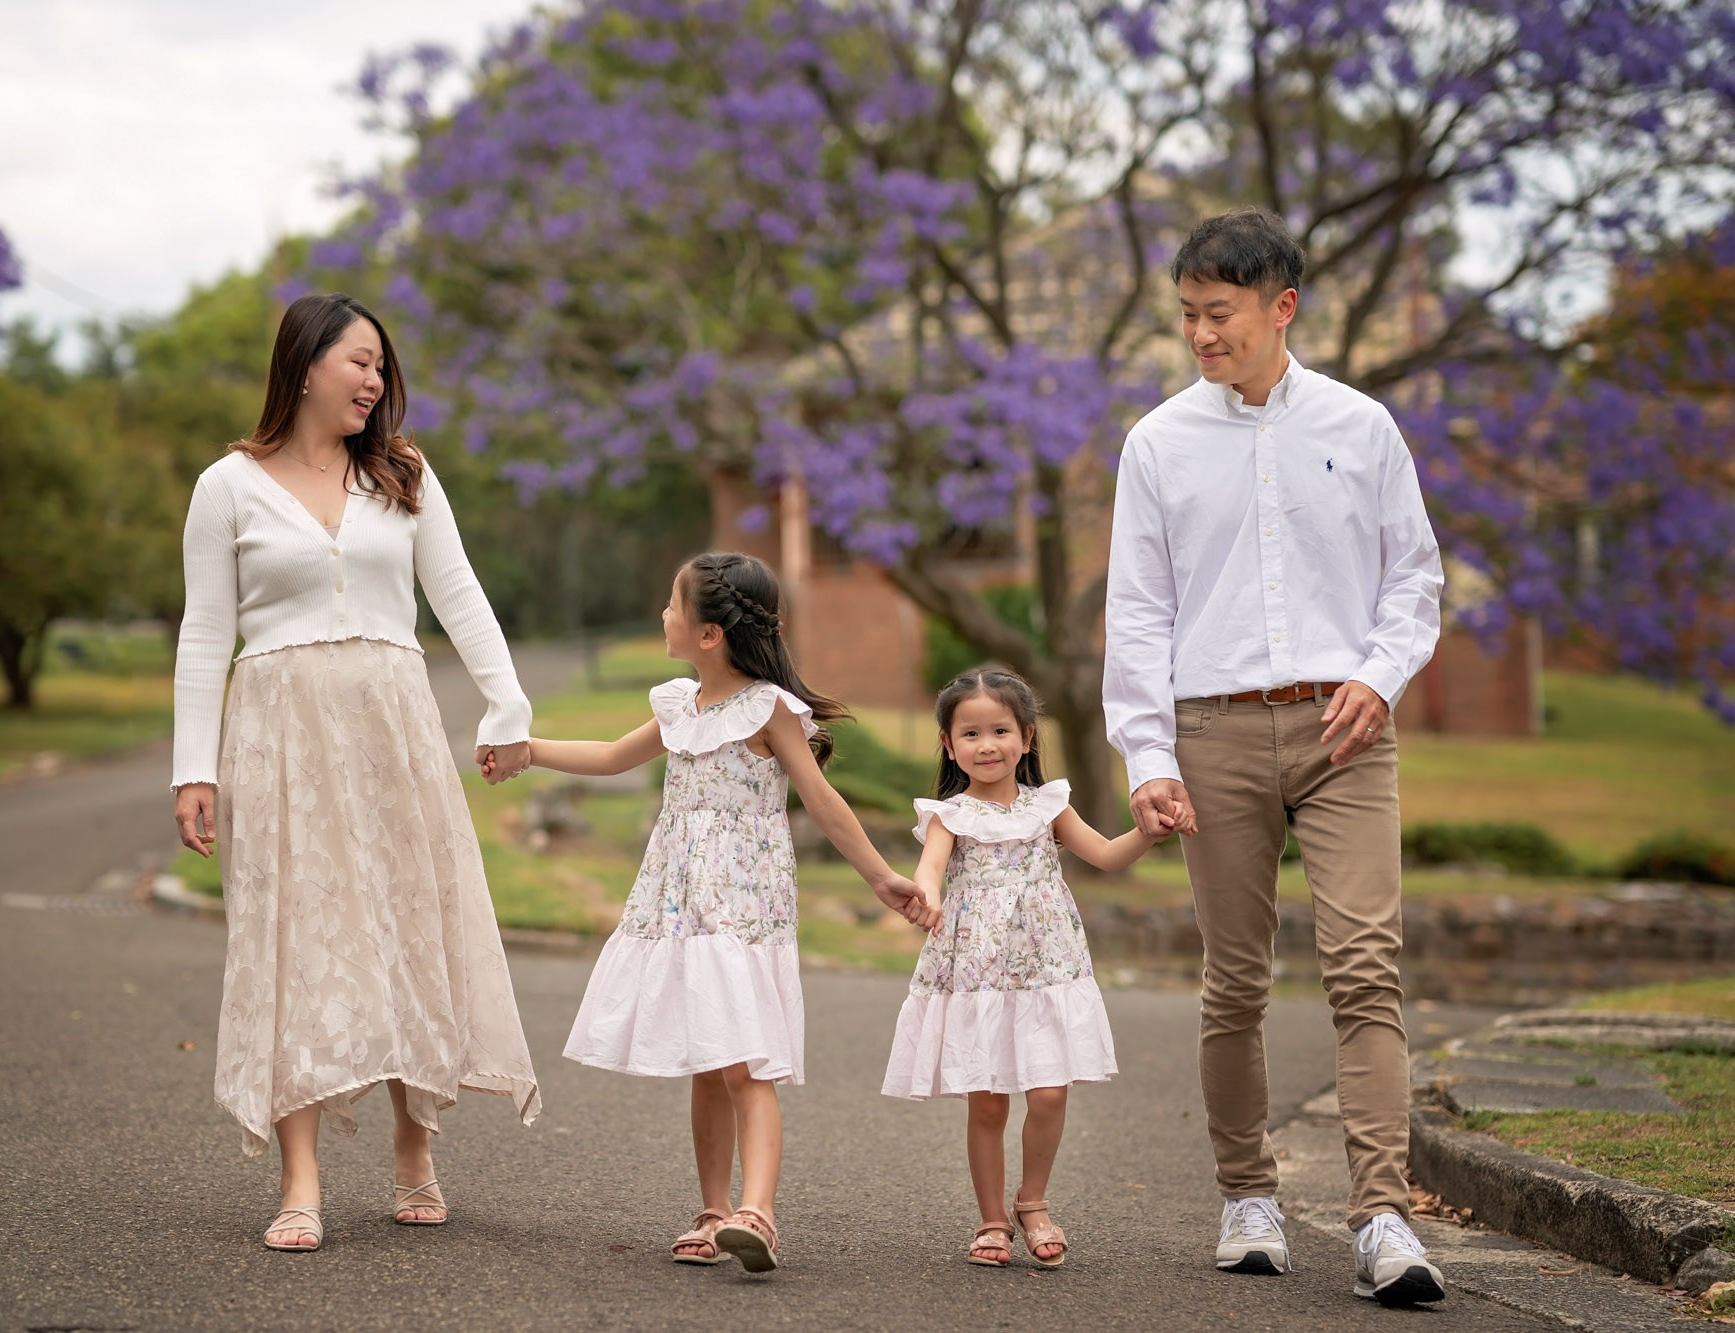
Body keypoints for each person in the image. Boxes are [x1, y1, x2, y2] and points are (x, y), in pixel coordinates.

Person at [1103, 207, 1447, 1304]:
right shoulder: (1156, 443)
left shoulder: (1363, 425)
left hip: (1346, 729)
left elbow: (1414, 580)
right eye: (1188, 315)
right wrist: (1145, 754)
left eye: (1220, 314)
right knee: (1233, 980)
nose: (1201, 334)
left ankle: (1382, 1219)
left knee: (1362, 966)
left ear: (1279, 306)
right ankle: (1247, 1197)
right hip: (1211, 733)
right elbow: (1139, 612)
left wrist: (1376, 675)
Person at [171, 292, 539, 1253]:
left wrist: (507, 703)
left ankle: (415, 1144)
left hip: (392, 724)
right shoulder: (228, 487)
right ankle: (301, 1178)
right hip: (279, 735)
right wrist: (191, 767)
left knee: (408, 919)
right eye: (359, 361)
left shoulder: (404, 473)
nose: (375, 380)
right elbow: (205, 630)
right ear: (303, 366)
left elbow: (457, 592)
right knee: (296, 935)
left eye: (382, 366)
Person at [525, 551, 928, 1274]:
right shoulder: (681, 703)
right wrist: (528, 750)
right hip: (679, 906)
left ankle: (759, 1212)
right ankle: (713, 1211)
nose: (663, 614)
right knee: (708, 1062)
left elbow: (822, 799)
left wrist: (880, 877)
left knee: (745, 1061)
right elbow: (614, 754)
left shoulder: (769, 708)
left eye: (674, 604)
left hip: (743, 909)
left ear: (709, 632)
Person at [882, 667, 1163, 1269]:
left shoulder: (1048, 807)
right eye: (971, 734)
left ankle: (1032, 1202)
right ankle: (991, 1219)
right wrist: (923, 897)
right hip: (978, 973)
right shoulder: (949, 816)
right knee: (986, 1101)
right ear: (949, 745)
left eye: (1000, 731)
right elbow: (931, 869)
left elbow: (1108, 856)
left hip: (1046, 968)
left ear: (1027, 737)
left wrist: (1147, 833)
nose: (987, 746)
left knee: (1049, 1092)